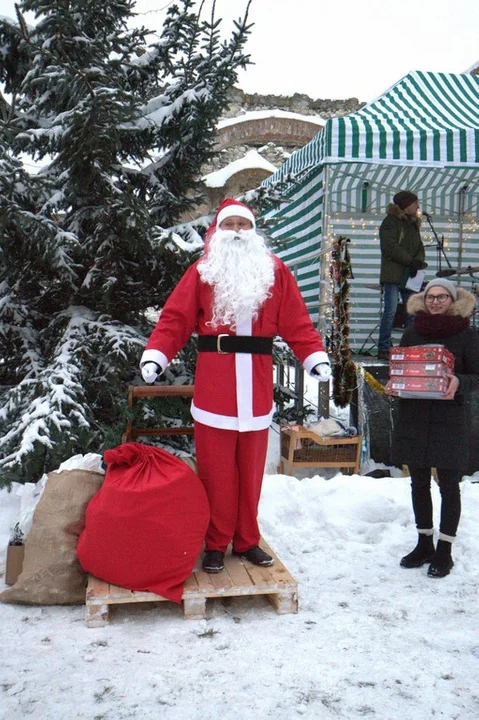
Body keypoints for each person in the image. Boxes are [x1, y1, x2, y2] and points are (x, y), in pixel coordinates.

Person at [140, 198, 331, 573]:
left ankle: (246, 540)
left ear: (254, 232)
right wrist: (157, 354)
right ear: (217, 231)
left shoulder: (274, 272)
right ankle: (215, 542)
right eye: (231, 225)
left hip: (257, 390)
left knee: (251, 472)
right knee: (216, 473)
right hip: (216, 389)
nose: (238, 232)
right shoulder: (202, 272)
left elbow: (296, 322)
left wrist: (314, 356)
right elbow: (175, 319)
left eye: (244, 225)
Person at [391, 277, 479, 578]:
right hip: (414, 416)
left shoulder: (467, 335)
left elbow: (476, 375)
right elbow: (400, 367)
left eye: (442, 297)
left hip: (449, 419)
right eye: (431, 296)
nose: (436, 301)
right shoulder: (412, 332)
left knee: (449, 484)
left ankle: (445, 549)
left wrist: (460, 381)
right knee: (418, 483)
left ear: (453, 301)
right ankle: (423, 542)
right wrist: (396, 382)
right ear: (424, 300)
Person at [377, 190, 427, 360]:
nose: (418, 206)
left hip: (409, 275)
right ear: (406, 205)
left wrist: (418, 261)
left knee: (412, 311)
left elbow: (420, 247)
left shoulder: (413, 224)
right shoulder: (390, 222)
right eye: (415, 203)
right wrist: (410, 261)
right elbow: (389, 247)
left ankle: (409, 347)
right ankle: (384, 347)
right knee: (390, 311)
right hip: (393, 274)